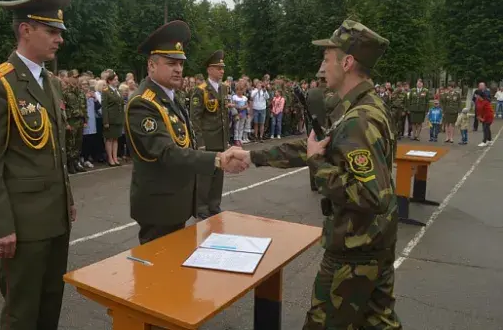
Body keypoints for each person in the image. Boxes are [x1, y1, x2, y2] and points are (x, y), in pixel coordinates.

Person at [225, 19, 401, 330]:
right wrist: (252, 155)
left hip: (354, 252)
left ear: (346, 62)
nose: (322, 66)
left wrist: (318, 167)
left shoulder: (359, 118)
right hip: (373, 243)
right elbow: (314, 147)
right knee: (378, 322)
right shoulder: (363, 107)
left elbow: (373, 194)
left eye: (327, 58)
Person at [0, 0, 76, 330]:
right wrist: (0, 226)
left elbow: (55, 150)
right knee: (22, 311)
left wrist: (68, 199)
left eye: (60, 32)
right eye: (51, 31)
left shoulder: (52, 84)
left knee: (50, 304)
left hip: (55, 218)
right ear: (25, 30)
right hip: (23, 224)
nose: (59, 39)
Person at [124, 20, 242, 245]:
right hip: (159, 208)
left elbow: (186, 142)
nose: (178, 69)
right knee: (159, 274)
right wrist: (217, 159)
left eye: (180, 63)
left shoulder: (170, 97)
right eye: (170, 63)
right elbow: (167, 153)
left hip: (176, 204)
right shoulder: (143, 103)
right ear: (151, 65)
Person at [190, 50, 230, 219]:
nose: (221, 71)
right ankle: (202, 207)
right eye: (218, 67)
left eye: (222, 68)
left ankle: (214, 204)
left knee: (218, 174)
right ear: (209, 69)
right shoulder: (200, 90)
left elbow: (223, 116)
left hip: (220, 138)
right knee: (205, 175)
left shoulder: (223, 88)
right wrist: (200, 142)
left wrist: (226, 140)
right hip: (207, 139)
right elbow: (195, 118)